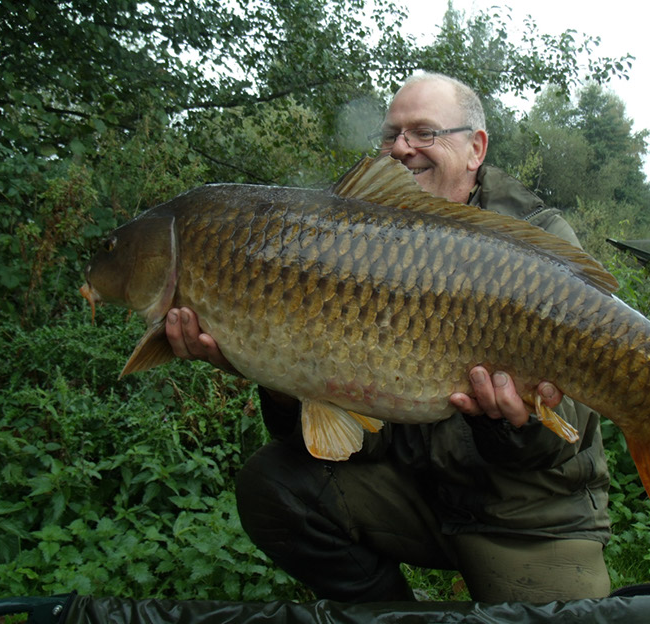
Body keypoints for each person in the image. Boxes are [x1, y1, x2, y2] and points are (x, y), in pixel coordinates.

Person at [166, 73, 611, 603]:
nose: (403, 148)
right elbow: (361, 432)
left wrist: (506, 425)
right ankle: (392, 615)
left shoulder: (538, 245)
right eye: (391, 135)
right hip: (417, 497)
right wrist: (275, 373)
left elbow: (567, 435)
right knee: (276, 486)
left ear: (476, 148)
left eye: (424, 132)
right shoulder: (340, 241)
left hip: (526, 516)